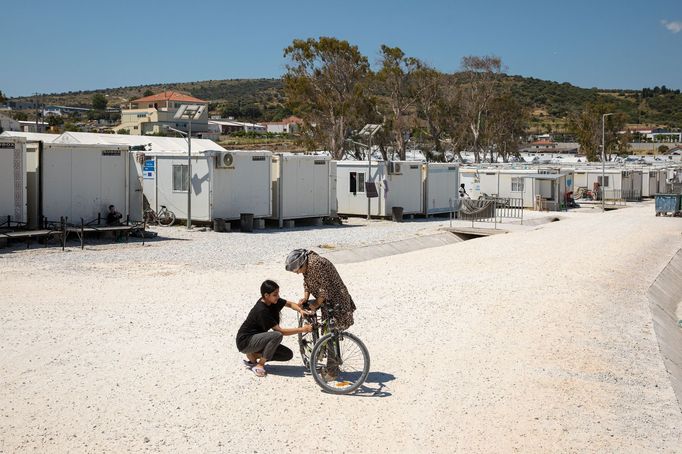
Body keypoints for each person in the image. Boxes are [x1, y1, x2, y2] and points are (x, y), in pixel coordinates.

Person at [285, 249, 356, 380]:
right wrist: (305, 298)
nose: (297, 273)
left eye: (296, 270)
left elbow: (325, 288)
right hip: (326, 301)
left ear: (302, 264)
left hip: (336, 300)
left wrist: (316, 304)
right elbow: (306, 282)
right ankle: (321, 352)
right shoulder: (307, 265)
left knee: (330, 334)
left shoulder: (317, 264)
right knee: (326, 330)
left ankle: (332, 371)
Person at [236, 280, 312, 378]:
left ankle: (253, 356)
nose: (278, 296)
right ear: (266, 295)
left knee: (287, 354)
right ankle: (259, 365)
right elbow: (281, 332)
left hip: (256, 339)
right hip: (245, 342)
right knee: (277, 335)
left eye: (278, 293)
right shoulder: (262, 310)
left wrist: (300, 310)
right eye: (275, 294)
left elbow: (290, 304)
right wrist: (303, 329)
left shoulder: (272, 301)